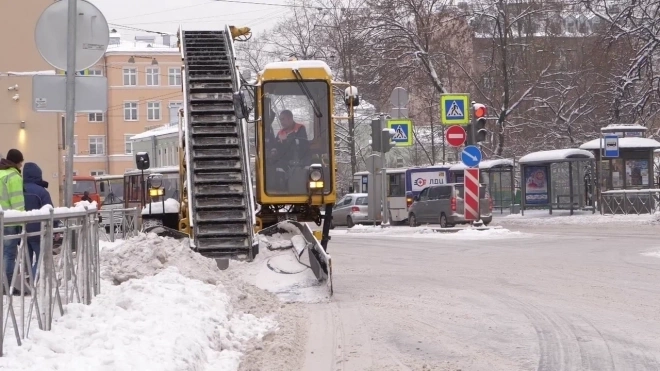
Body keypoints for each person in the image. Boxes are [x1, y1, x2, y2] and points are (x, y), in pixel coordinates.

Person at [23, 162, 53, 282]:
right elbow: (50, 210)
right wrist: (56, 226)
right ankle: (33, 279)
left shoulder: (19, 189)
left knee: (26, 258)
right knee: (42, 257)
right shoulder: (41, 192)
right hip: (38, 231)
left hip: (22, 230)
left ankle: (24, 281)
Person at [0, 149, 25, 295]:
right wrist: (22, 222)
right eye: (21, 162)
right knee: (9, 254)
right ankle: (8, 285)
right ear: (16, 162)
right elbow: (18, 203)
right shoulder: (13, 177)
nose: (21, 166)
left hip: (1, 218)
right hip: (10, 220)